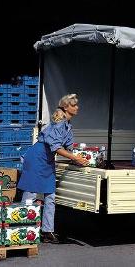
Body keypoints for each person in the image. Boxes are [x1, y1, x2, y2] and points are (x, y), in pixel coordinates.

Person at [17, 94, 89, 243]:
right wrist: (74, 158)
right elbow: (56, 147)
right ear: (65, 107)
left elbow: (69, 147)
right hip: (37, 157)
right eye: (74, 105)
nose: (77, 107)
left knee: (50, 195)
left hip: (47, 160)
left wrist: (82, 157)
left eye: (77, 105)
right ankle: (22, 227)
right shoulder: (59, 124)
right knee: (31, 192)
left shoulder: (68, 126)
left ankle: (47, 231)